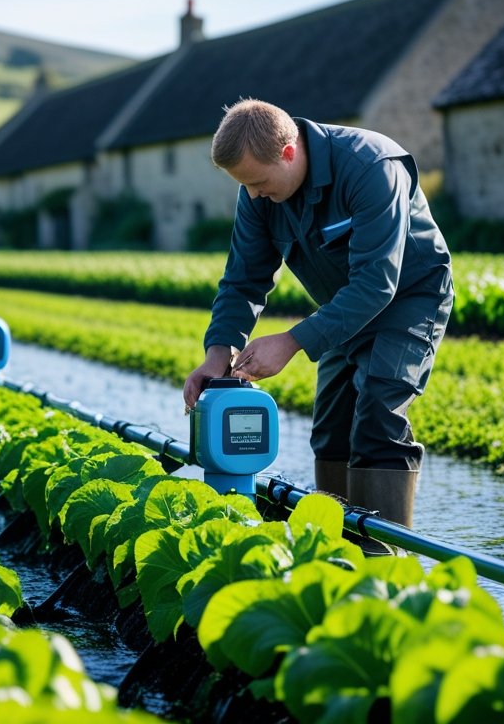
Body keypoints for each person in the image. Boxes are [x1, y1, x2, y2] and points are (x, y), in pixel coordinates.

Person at [181, 98, 452, 534]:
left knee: (377, 417)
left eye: (258, 182)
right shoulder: (258, 192)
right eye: (244, 185)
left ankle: (384, 562)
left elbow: (377, 283)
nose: (253, 194)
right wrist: (218, 354)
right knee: (331, 430)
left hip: (407, 299)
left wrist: (291, 341)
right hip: (342, 307)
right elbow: (242, 280)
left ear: (288, 152)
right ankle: (336, 547)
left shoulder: (371, 167)